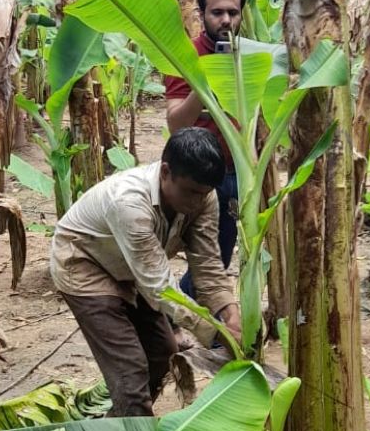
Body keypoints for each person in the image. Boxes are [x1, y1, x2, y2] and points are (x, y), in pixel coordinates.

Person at [49, 127, 243, 416]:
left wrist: (230, 312)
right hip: (85, 264)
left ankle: (121, 421)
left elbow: (206, 264)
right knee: (130, 370)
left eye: (203, 194)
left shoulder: (204, 197)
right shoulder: (129, 203)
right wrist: (213, 331)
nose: (195, 202)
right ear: (165, 172)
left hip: (134, 269)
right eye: (190, 192)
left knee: (162, 354)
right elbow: (158, 285)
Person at [164, 0, 245, 299]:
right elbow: (176, 123)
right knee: (198, 256)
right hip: (196, 176)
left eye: (233, 13)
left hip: (236, 171)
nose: (226, 20)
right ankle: (177, 319)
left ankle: (196, 320)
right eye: (217, 12)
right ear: (201, 13)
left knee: (220, 257)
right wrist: (204, 82)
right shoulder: (187, 57)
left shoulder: (249, 55)